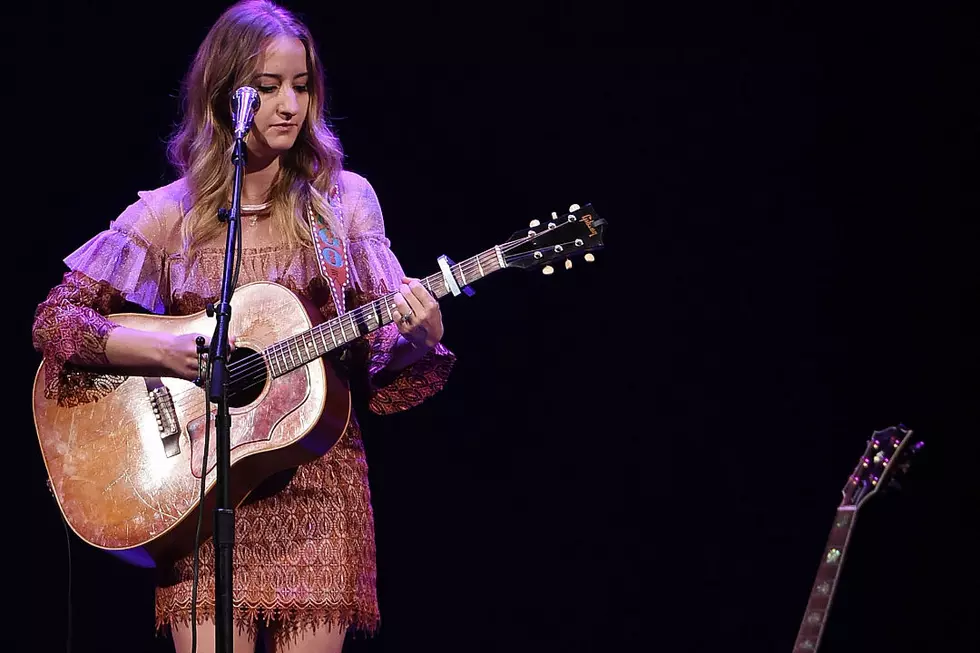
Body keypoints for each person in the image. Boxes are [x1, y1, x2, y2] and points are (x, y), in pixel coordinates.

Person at [30, 1, 456, 651]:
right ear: (225, 95)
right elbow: (58, 322)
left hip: (317, 491)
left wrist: (416, 339)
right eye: (267, 87)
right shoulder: (168, 216)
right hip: (195, 491)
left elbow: (371, 355)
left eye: (302, 86)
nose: (290, 104)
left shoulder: (340, 203)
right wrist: (172, 351)